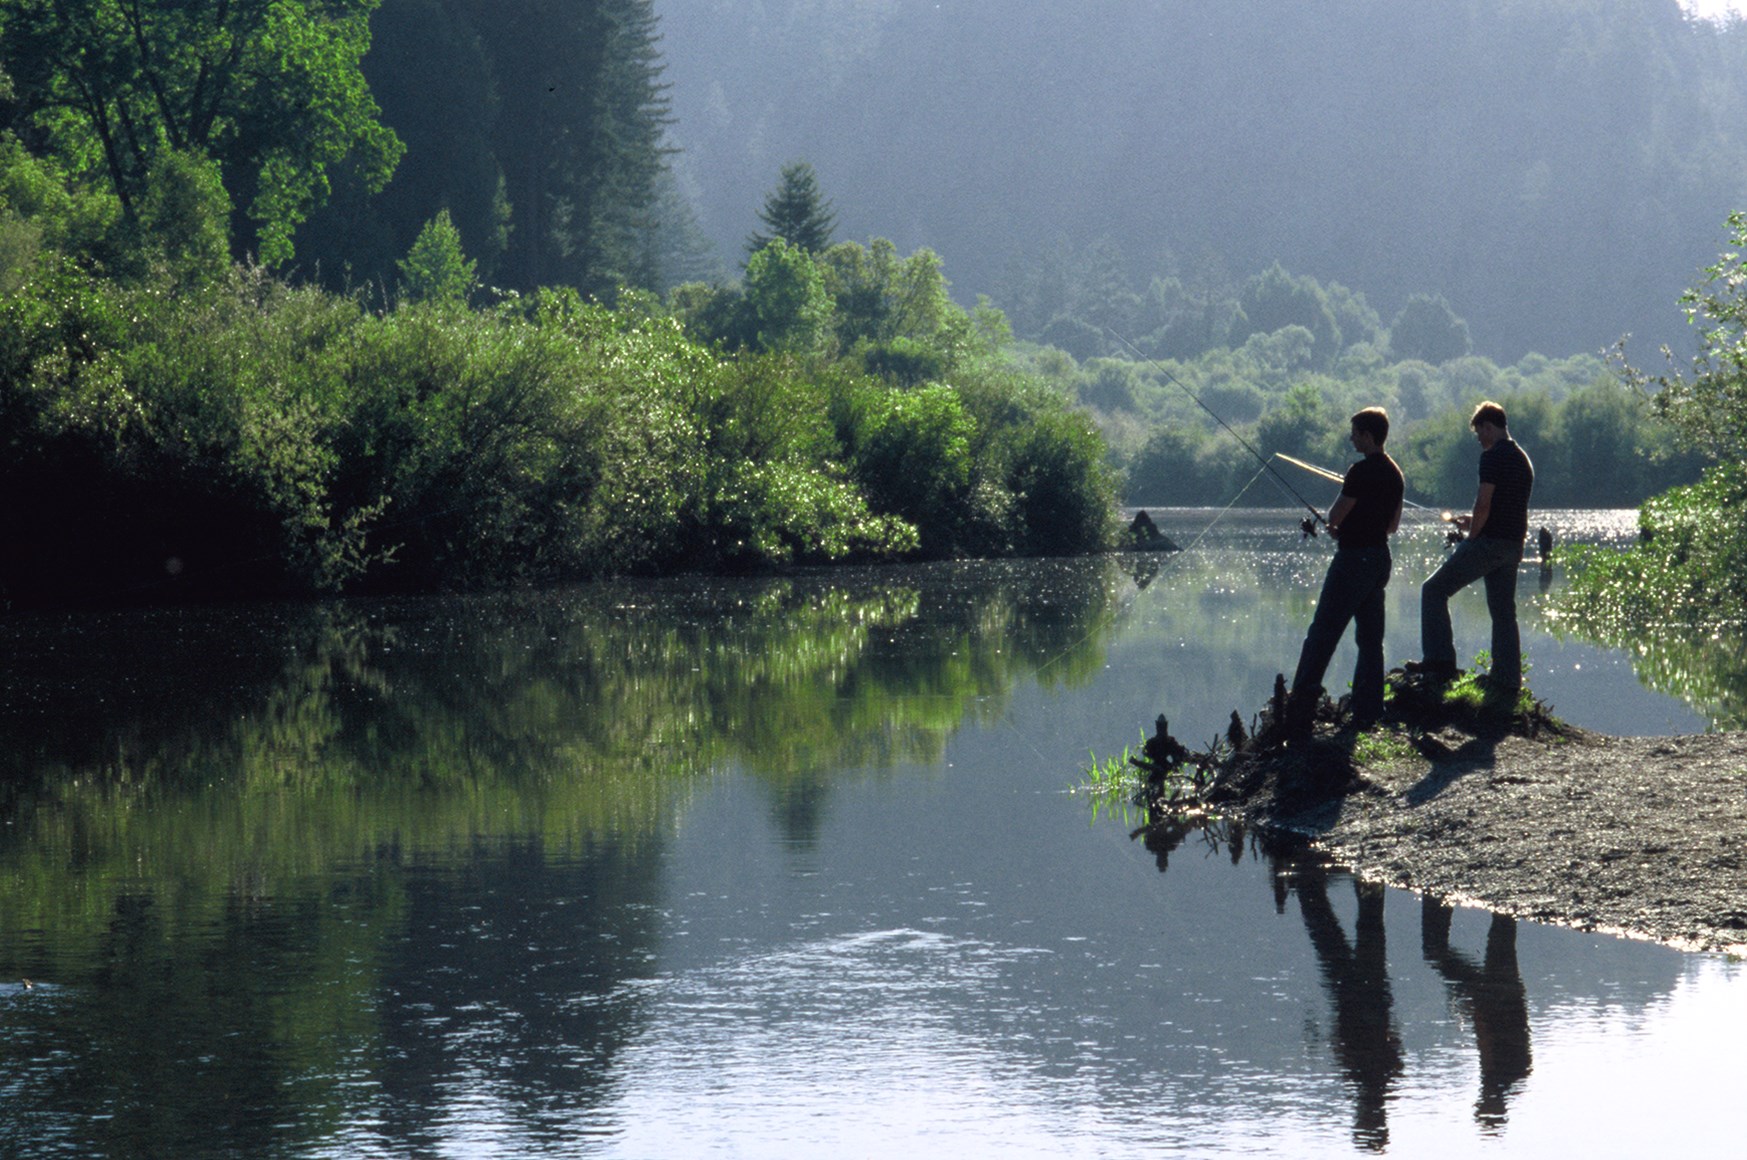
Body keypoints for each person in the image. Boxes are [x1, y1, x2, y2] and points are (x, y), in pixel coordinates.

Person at [1286, 407, 1405, 737]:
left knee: (1322, 632)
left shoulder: (1359, 471)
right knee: (1370, 639)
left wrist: (1337, 527)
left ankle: (1300, 709)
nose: (1351, 437)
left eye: (1354, 432)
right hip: (1380, 557)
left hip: (1353, 560)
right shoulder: (1396, 474)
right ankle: (1368, 712)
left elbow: (1335, 516)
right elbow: (1392, 526)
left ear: (1368, 435)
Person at [1408, 400, 1535, 695]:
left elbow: (1484, 503)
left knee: (1434, 590)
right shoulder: (1522, 458)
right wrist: (1472, 522)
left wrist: (1472, 536)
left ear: (1489, 427)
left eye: (1479, 433)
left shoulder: (1491, 457)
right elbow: (1504, 507)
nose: (1479, 439)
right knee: (1504, 612)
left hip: (1488, 544)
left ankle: (1439, 663)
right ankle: (1507, 680)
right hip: (1513, 544)